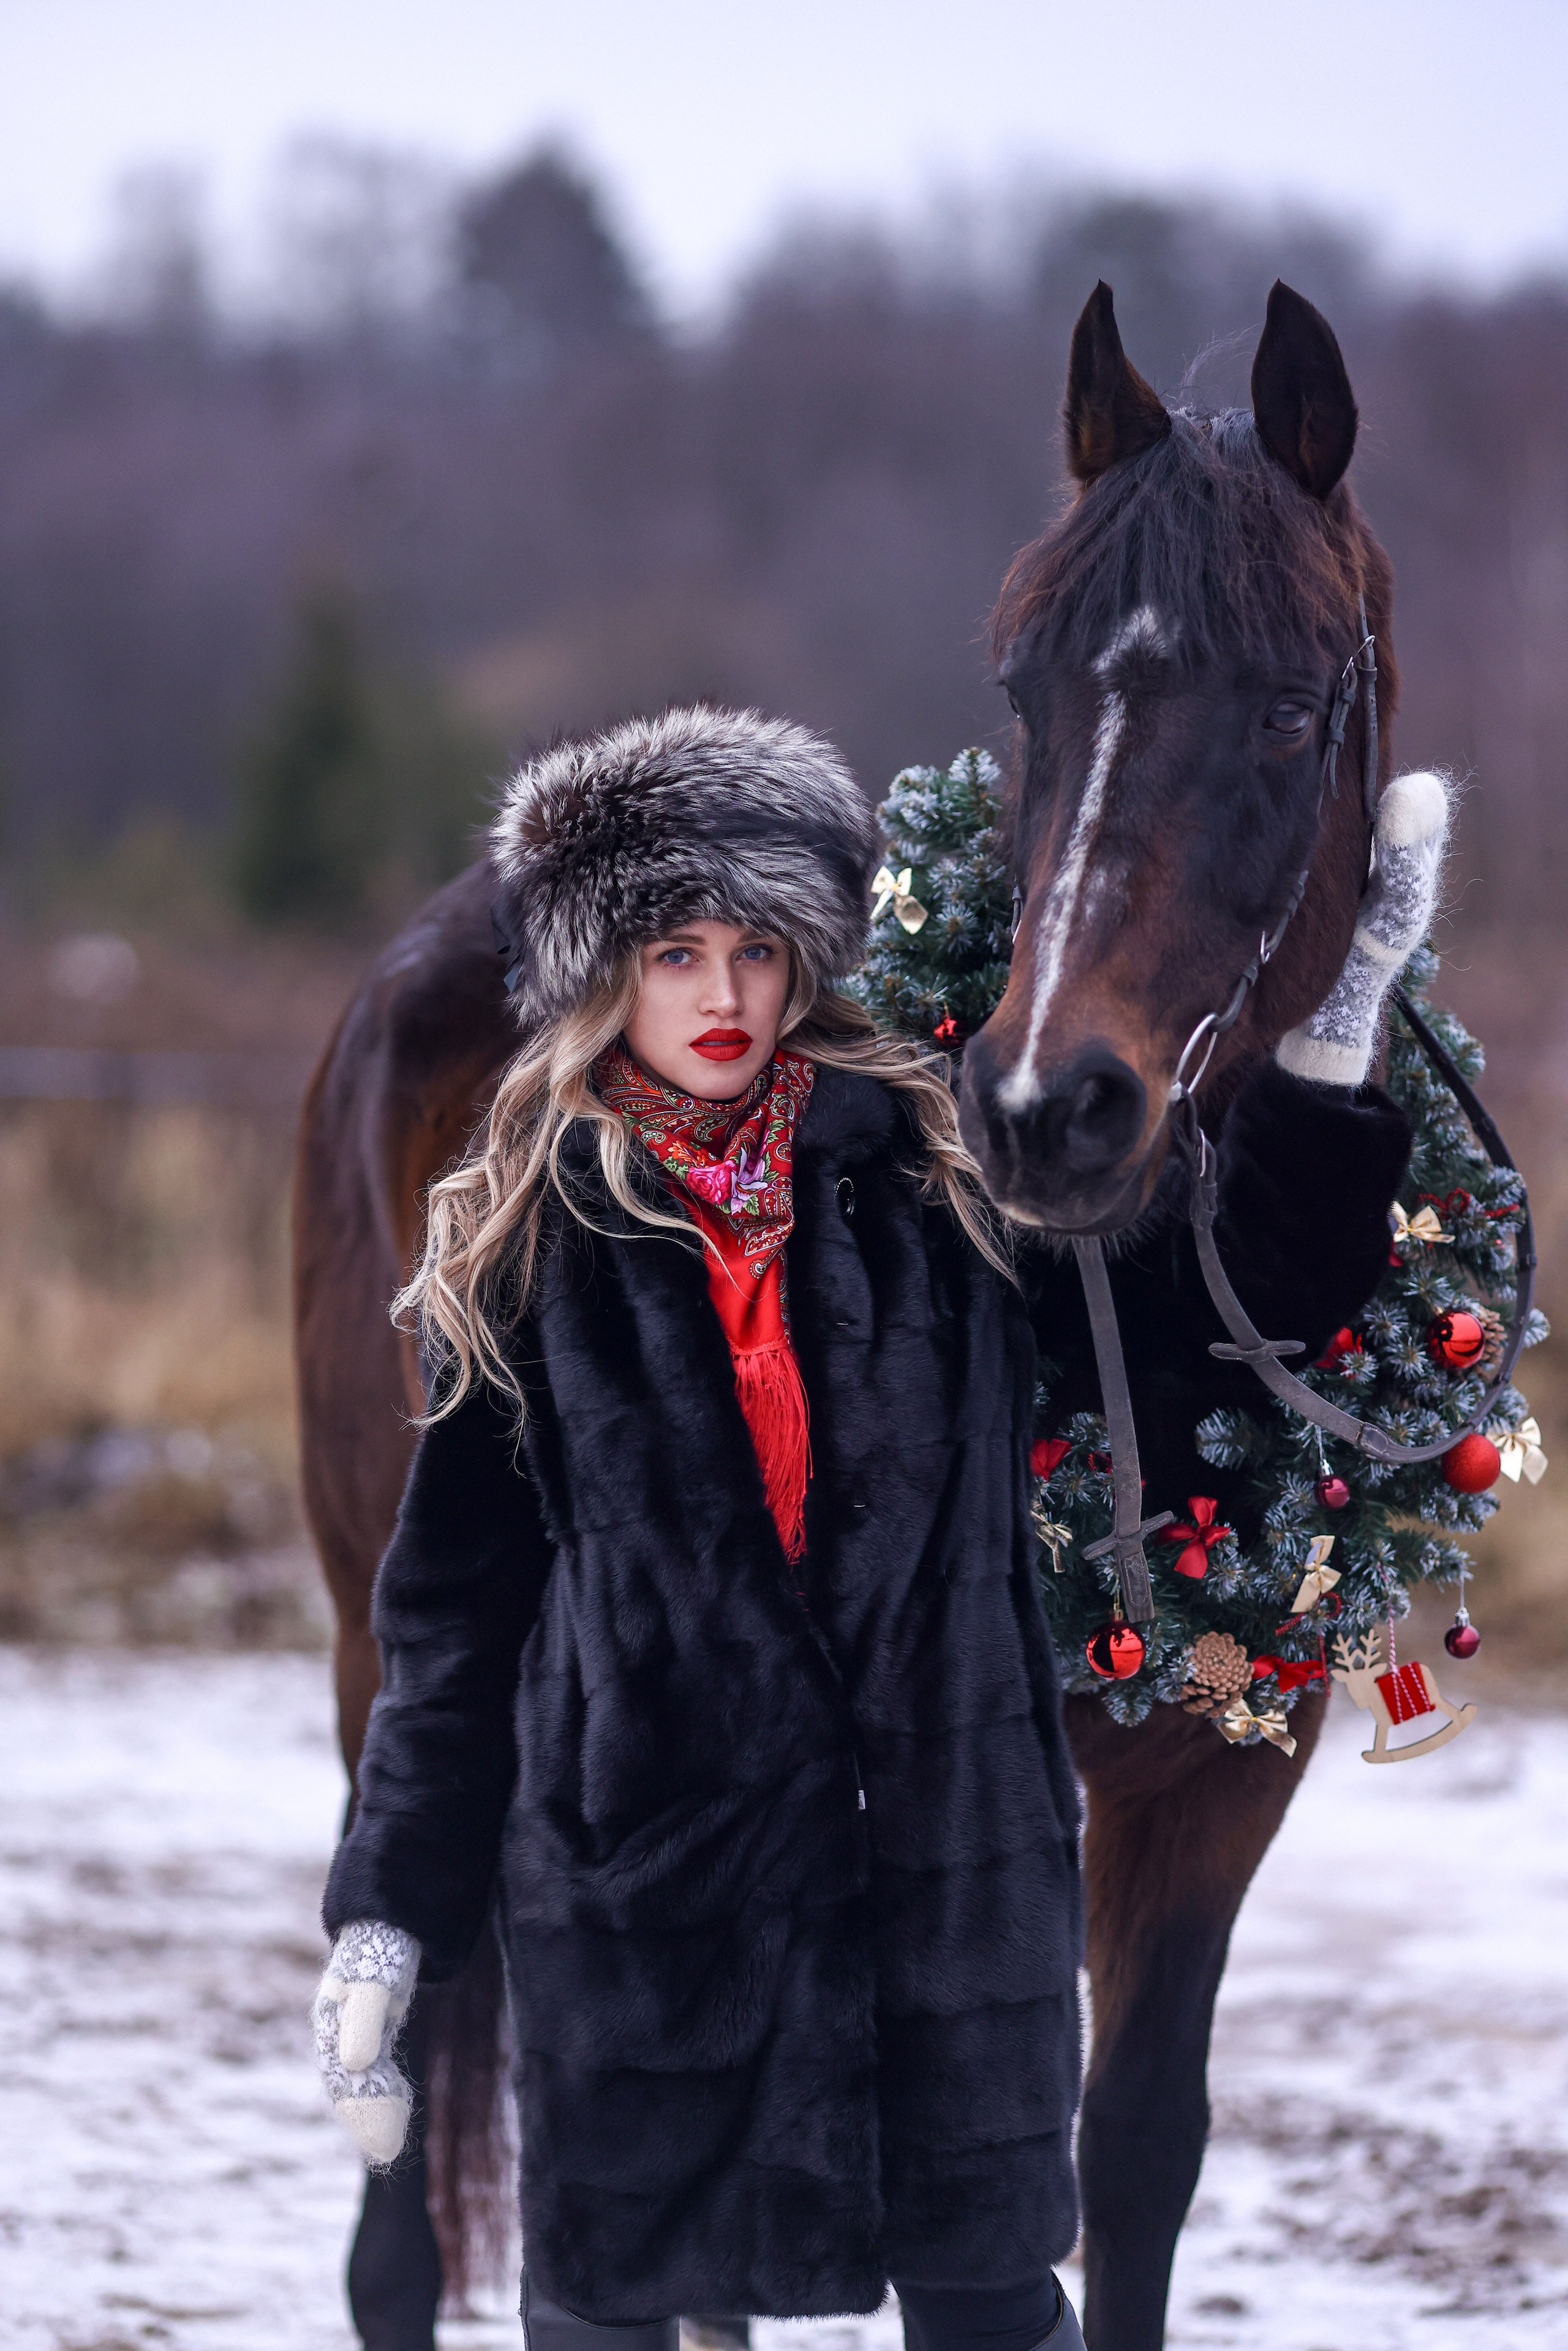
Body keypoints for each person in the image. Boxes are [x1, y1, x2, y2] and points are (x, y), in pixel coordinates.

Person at [312, 705, 1416, 2351]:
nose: (723, 996)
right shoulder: (525, 1240)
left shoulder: (939, 1176)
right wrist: (389, 1917)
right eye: (674, 951)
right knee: (613, 2319)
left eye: (759, 949)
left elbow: (1224, 1317)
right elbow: (453, 1624)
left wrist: (1338, 1025)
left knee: (992, 2315)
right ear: (605, 969)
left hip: (944, 1902)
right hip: (648, 1917)